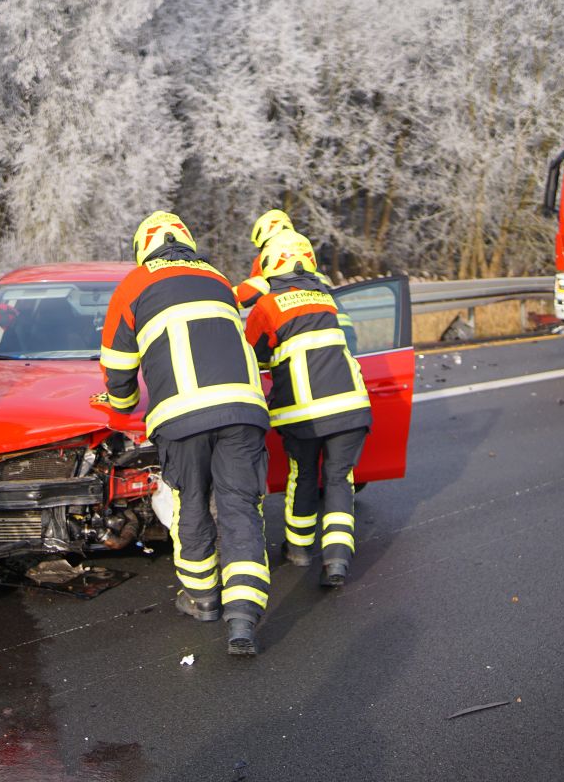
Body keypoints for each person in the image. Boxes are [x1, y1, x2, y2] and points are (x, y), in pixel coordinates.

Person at [99, 211, 271, 655]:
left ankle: (204, 600)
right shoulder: (216, 277)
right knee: (239, 508)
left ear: (143, 247)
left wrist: (121, 407)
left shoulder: (135, 283)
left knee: (190, 505)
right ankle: (243, 620)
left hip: (181, 417)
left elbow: (118, 365)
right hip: (242, 411)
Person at [243, 230, 371, 587]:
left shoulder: (267, 305)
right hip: (350, 407)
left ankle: (298, 550)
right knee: (339, 480)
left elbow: (254, 355)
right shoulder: (326, 297)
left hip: (304, 414)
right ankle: (337, 561)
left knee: (303, 476)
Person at [234, 208, 295, 308]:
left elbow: (254, 288)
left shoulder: (269, 256)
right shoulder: (305, 254)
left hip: (278, 312)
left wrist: (224, 296)